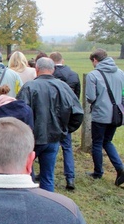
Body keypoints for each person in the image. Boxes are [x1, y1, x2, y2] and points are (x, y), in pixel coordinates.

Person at [17, 57, 84, 192]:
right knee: (48, 176)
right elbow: (77, 113)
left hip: (33, 137)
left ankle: (29, 201)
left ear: (37, 69)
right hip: (53, 137)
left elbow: (19, 114)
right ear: (53, 70)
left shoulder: (29, 87)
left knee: (27, 173)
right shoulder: (63, 87)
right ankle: (47, 204)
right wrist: (64, 130)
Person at [85, 48, 124, 186]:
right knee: (107, 141)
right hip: (116, 114)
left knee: (97, 142)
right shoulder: (120, 73)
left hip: (101, 114)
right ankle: (120, 168)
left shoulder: (93, 75)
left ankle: (98, 172)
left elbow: (91, 97)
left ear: (95, 60)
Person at [50, 51, 81, 190]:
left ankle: (48, 172)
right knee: (67, 147)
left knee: (52, 147)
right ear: (62, 60)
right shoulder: (73, 75)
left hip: (54, 115)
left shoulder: (52, 76)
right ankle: (70, 177)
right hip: (68, 115)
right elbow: (77, 97)